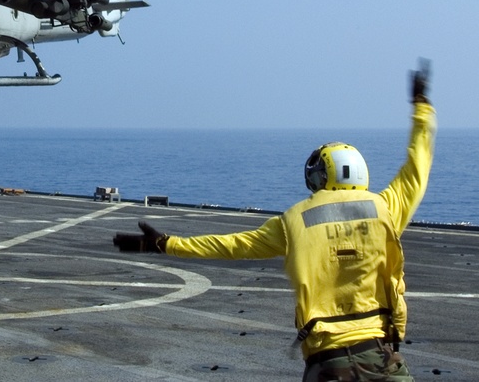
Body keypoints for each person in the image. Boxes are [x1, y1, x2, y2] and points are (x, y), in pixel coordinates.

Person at [114, 61, 436, 381]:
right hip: (382, 358)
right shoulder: (386, 208)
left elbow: (231, 245)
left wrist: (166, 243)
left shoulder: (294, 221)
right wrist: (422, 108)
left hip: (329, 362)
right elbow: (417, 165)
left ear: (323, 176)